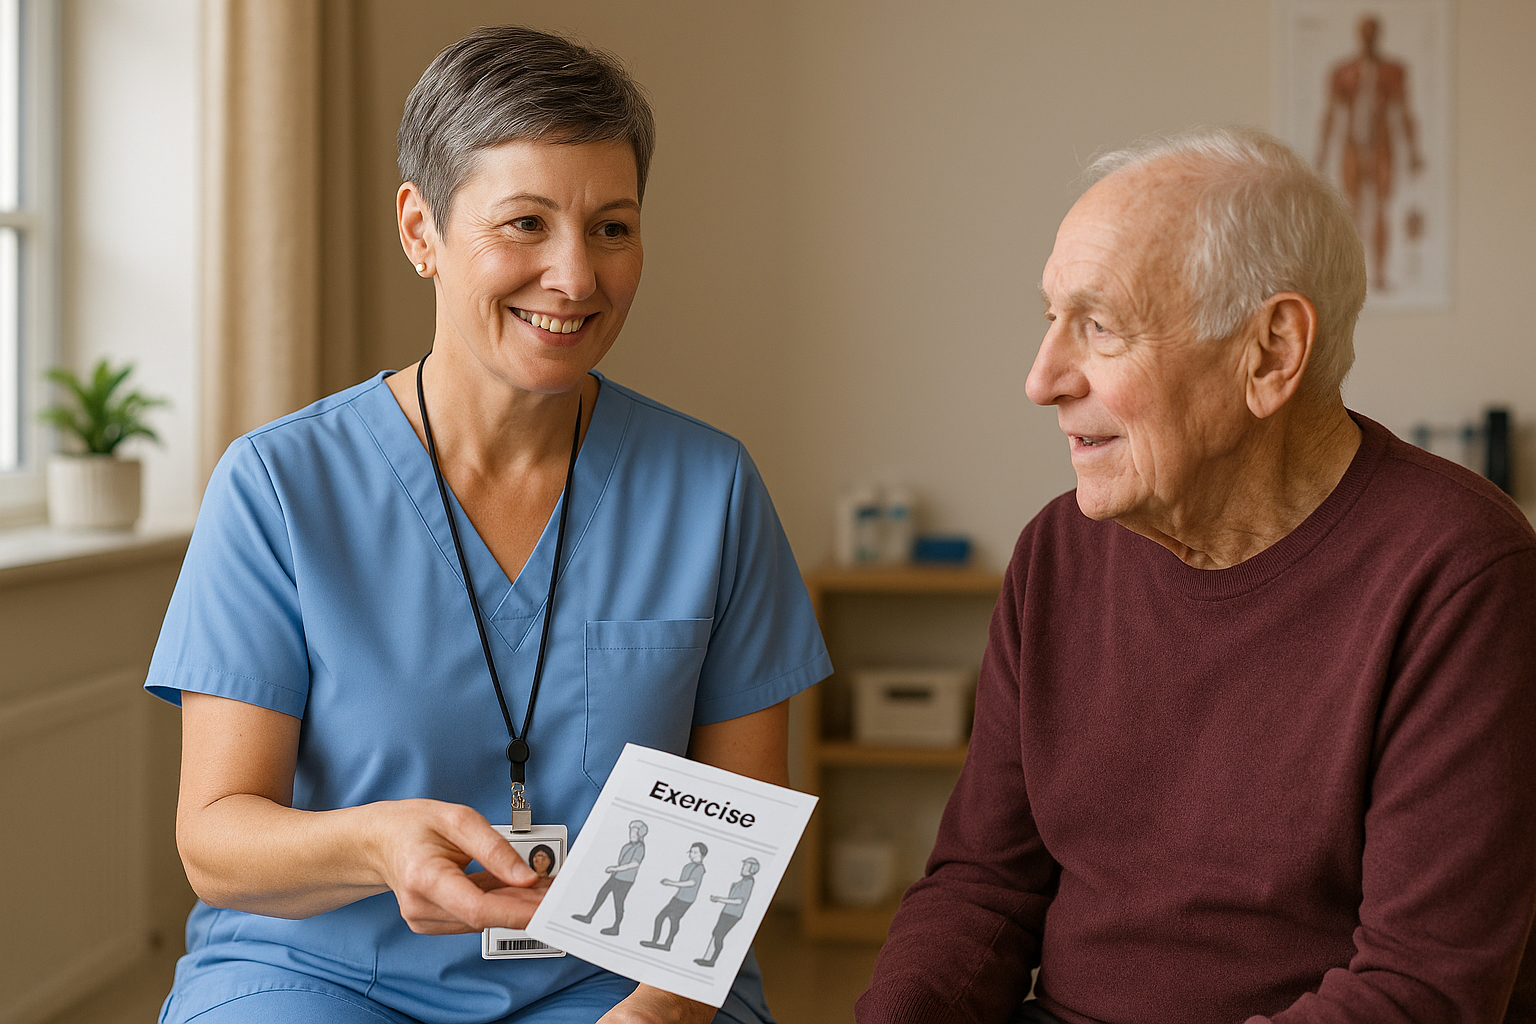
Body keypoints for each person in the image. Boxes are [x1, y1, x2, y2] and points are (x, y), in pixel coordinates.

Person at [146, 25, 830, 1024]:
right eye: (525, 224)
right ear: (420, 230)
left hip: (615, 979)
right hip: (319, 975)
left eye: (611, 228)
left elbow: (744, 818)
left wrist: (660, 1008)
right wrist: (376, 844)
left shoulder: (710, 488)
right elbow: (215, 839)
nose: (576, 277)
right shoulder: (279, 485)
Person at [856, 125, 1536, 1024]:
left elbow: (1420, 989)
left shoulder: (1462, 572)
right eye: (1051, 319)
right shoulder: (1057, 552)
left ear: (1271, 353)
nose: (1042, 379)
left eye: (1100, 326)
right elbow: (982, 886)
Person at [1316, 14, 1425, 291]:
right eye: (1365, 32)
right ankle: (1351, 275)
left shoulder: (1393, 71)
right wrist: (1322, 154)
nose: (1368, 37)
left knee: (1381, 208)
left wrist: (1413, 152)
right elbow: (1330, 114)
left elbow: (1405, 112)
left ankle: (1379, 274)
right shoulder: (1343, 72)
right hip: (1352, 144)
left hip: (1381, 143)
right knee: (1352, 208)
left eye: (1372, 32)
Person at [572, 820, 649, 935]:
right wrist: (615, 871)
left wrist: (615, 868)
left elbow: (634, 864)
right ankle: (589, 917)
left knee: (618, 902)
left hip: (625, 880)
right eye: (631, 832)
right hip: (616, 877)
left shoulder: (640, 848)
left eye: (634, 833)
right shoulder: (627, 846)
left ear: (640, 834)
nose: (631, 834)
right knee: (602, 894)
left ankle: (616, 927)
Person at [642, 843, 709, 951]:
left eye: (695, 852)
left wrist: (671, 883)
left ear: (702, 855)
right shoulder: (688, 866)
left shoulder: (700, 868)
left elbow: (692, 882)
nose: (691, 854)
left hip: (686, 900)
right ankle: (656, 941)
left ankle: (667, 944)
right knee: (661, 917)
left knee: (673, 919)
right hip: (679, 896)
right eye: (691, 851)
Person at [696, 859, 758, 968]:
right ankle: (707, 958)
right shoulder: (744, 881)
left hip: (733, 913)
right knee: (716, 933)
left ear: (752, 868)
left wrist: (719, 899)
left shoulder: (748, 882)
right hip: (728, 911)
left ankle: (711, 960)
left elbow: (739, 901)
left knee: (719, 935)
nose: (743, 867)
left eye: (745, 865)